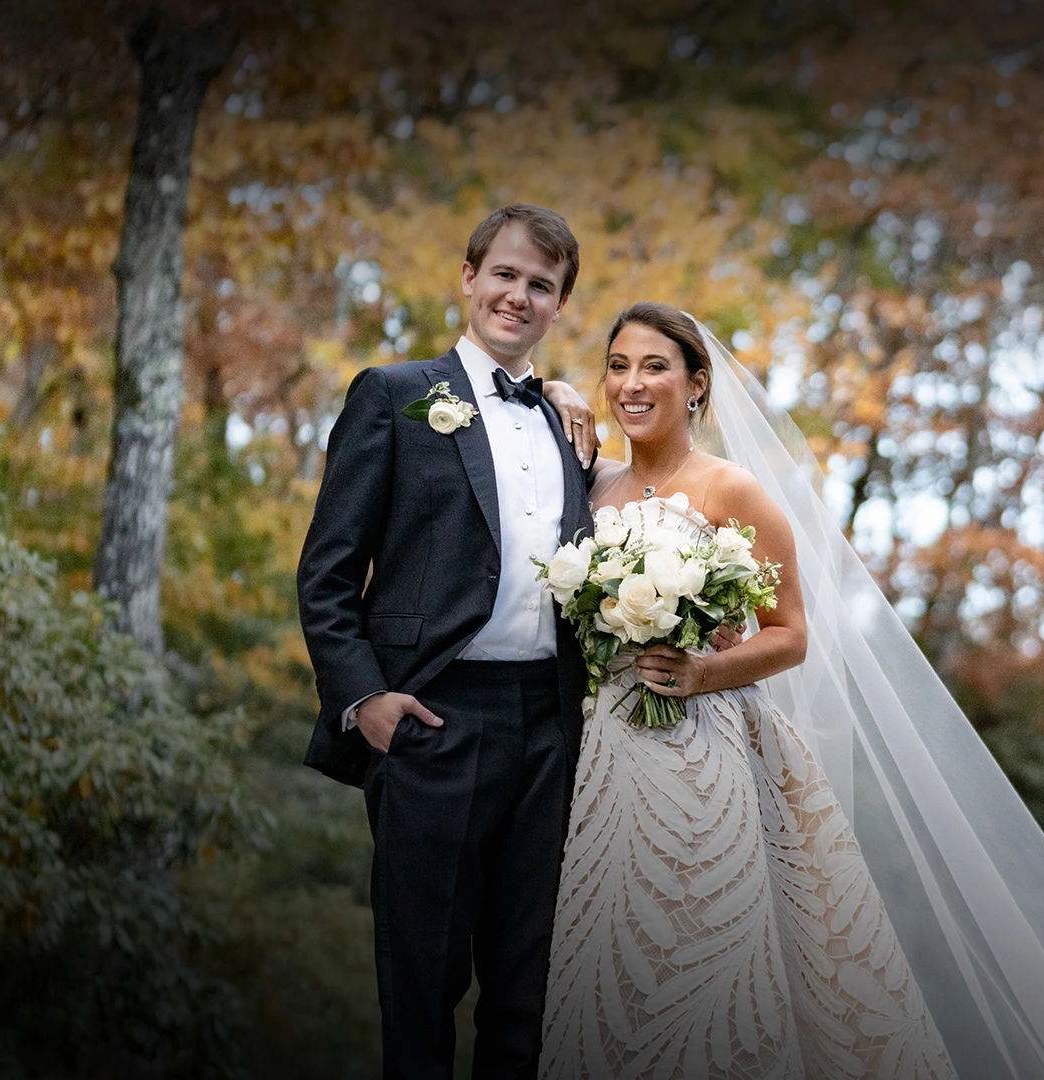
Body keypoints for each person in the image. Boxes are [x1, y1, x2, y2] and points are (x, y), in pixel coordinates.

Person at [538, 303, 1044, 1080]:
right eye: (617, 365)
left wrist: (701, 672)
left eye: (654, 366)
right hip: (599, 756)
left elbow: (790, 633)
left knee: (693, 965)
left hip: (699, 756)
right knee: (604, 966)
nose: (631, 383)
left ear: (697, 385)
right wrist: (558, 389)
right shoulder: (590, 485)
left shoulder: (735, 492)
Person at [297, 204, 602, 1078]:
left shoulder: (568, 424)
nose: (518, 294)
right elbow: (326, 574)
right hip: (432, 720)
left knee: (528, 994)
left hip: (550, 729)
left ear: (559, 306)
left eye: (541, 285)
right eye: (504, 274)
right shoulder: (394, 397)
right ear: (469, 278)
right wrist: (366, 701)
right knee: (423, 987)